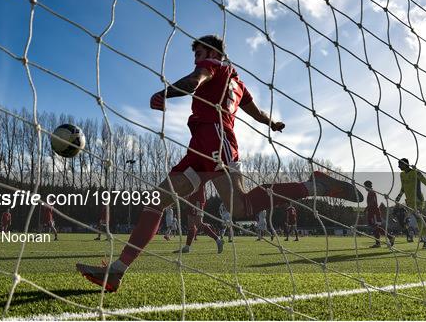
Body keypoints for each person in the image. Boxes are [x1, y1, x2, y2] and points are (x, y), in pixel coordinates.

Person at [76, 35, 363, 292]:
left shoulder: (213, 66)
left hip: (214, 138)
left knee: (241, 207)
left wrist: (164, 93)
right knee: (158, 200)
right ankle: (116, 272)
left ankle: (315, 185)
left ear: (212, 53)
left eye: (198, 53)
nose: (196, 59)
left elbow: (194, 81)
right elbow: (255, 112)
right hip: (205, 143)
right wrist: (273, 123)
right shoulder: (238, 84)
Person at [394, 158, 426, 250]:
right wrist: (399, 196)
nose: (398, 166)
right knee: (414, 221)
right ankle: (425, 241)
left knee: (419, 219)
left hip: (418, 201)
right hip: (409, 202)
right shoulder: (402, 175)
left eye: (400, 164)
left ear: (405, 164)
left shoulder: (416, 172)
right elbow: (403, 188)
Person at [173, 187, 223, 254]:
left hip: (197, 199)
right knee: (191, 225)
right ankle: (187, 247)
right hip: (190, 200)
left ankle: (218, 240)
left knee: (198, 223)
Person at [364, 180, 394, 248]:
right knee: (375, 228)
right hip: (372, 213)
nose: (364, 188)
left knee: (376, 227)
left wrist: (367, 208)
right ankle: (378, 243)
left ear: (367, 186)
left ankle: (390, 237)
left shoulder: (372, 192)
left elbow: (373, 201)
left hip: (374, 213)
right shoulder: (370, 192)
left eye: (365, 186)